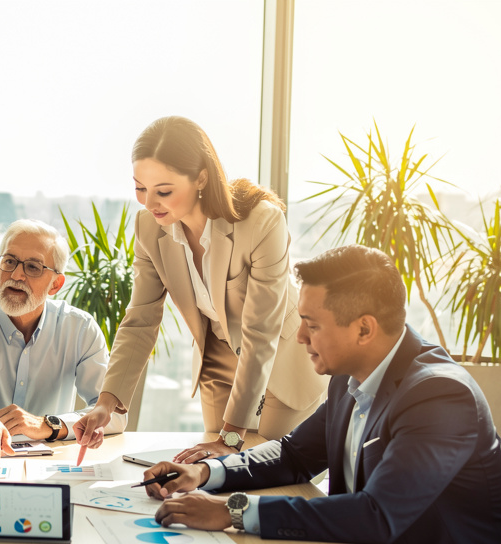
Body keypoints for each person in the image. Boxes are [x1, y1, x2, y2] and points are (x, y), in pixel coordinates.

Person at [147, 245, 501, 544]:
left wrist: (233, 511)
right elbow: (293, 455)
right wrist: (204, 472)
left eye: (312, 325)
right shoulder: (351, 375)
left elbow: (378, 515)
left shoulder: (440, 395)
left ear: (364, 329)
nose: (300, 338)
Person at [75, 117, 326, 462]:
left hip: (279, 359)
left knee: (268, 470)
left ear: (201, 178)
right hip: (217, 360)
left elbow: (261, 331)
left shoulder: (261, 222)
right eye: (140, 188)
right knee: (211, 470)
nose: (149, 203)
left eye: (163, 191)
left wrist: (233, 434)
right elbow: (141, 318)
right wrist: (105, 404)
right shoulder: (149, 228)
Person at [0, 220, 126, 461]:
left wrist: (49, 425)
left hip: (50, 466)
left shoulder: (81, 329)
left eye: (33, 267)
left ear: (56, 284)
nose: (17, 275)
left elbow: (113, 414)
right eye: (9, 262)